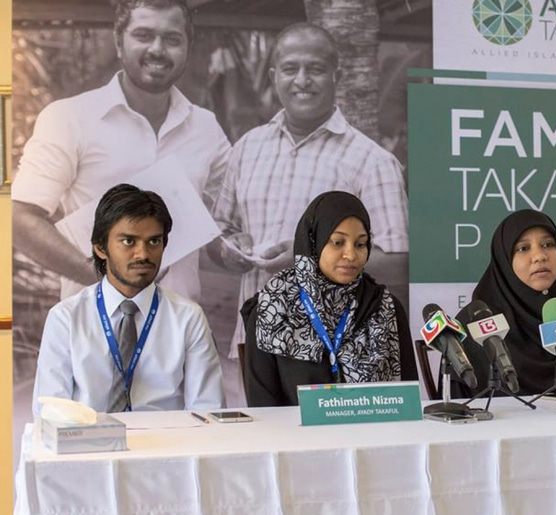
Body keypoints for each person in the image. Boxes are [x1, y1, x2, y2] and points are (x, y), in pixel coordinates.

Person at [209, 22, 409, 357]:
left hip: (332, 354)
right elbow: (220, 231)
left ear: (336, 77)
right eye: (290, 69)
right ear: (274, 76)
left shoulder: (370, 161)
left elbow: (398, 262)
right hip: (254, 345)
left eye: (315, 69)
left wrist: (310, 260)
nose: (302, 80)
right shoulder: (247, 148)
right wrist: (230, 248)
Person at [12, 0, 231, 302]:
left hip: (179, 322)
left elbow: (222, 224)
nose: (157, 49)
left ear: (187, 48)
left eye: (172, 39)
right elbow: (19, 218)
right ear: (119, 42)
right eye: (143, 35)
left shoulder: (205, 128)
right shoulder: (69, 118)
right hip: (95, 322)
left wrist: (236, 251)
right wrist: (103, 276)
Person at [32, 184, 225, 416]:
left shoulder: (188, 318)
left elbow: (208, 411)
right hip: (87, 438)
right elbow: (51, 412)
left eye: (154, 242)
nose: (143, 254)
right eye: (128, 241)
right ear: (100, 248)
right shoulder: (66, 317)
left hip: (167, 438)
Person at [241, 192, 416, 406]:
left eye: (360, 244)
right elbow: (263, 409)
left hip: (377, 428)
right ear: (313, 242)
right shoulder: (273, 308)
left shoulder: (385, 308)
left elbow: (408, 400)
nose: (351, 255)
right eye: (337, 242)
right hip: (294, 429)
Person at [456, 210, 556, 397]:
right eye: (523, 248)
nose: (540, 256)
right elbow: (455, 408)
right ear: (504, 261)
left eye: (548, 244)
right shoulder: (478, 326)